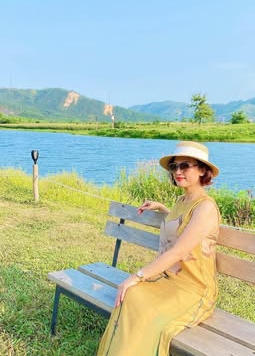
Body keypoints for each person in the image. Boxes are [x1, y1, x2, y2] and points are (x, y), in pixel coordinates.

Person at [97, 141, 221, 356]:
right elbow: (183, 224)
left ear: (202, 170)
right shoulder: (183, 200)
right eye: (174, 166)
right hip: (170, 278)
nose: (178, 172)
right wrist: (162, 208)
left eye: (185, 166)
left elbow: (179, 251)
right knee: (131, 295)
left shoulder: (206, 207)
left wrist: (137, 275)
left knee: (145, 307)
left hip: (194, 288)